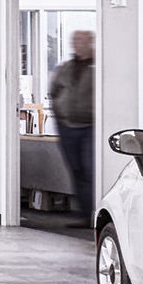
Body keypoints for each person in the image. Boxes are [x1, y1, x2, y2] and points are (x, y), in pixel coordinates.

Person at [49, 29, 96, 228]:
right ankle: (86, 215)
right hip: (67, 127)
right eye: (74, 40)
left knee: (90, 170)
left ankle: (96, 214)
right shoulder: (66, 67)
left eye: (80, 40)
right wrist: (60, 116)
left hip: (90, 127)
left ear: (91, 41)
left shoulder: (98, 66)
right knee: (76, 170)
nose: (76, 43)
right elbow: (54, 91)